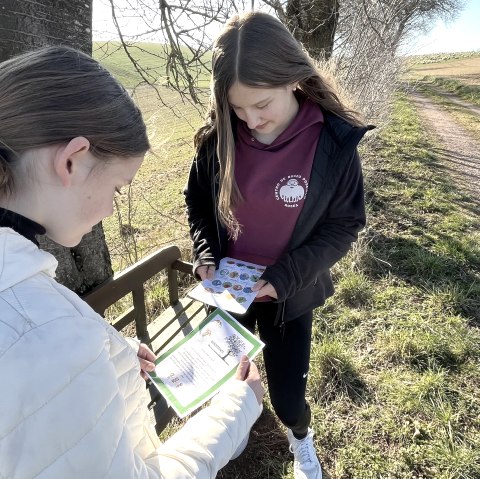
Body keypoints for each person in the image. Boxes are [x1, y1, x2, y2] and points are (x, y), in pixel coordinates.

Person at [0, 45, 264, 479]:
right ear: (72, 160)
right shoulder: (48, 342)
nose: (110, 208)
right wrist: (237, 409)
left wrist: (113, 356)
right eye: (118, 189)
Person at [184, 11, 373, 479]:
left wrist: (284, 277)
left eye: (261, 104)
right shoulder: (218, 139)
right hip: (228, 293)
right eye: (237, 108)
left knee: (289, 397)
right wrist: (207, 253)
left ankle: (299, 437)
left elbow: (344, 224)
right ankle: (236, 432)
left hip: (290, 292)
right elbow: (199, 204)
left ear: (293, 78)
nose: (250, 120)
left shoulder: (332, 141)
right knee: (230, 382)